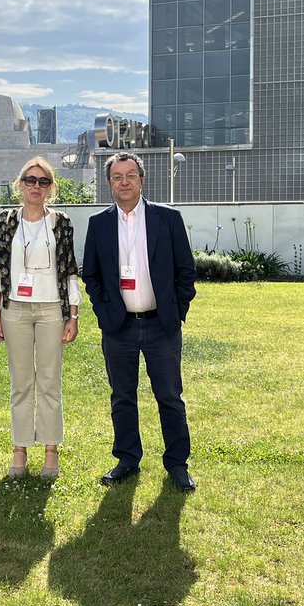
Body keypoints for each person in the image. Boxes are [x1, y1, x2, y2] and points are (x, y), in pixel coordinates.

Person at [82, 152, 199, 491]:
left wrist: (176, 311)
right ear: (109, 183)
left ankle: (177, 463)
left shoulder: (167, 218)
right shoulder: (99, 223)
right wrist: (104, 312)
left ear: (141, 179)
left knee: (170, 396)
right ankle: (127, 459)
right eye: (117, 177)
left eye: (130, 175)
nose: (125, 182)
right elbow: (91, 275)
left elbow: (186, 270)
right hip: (118, 327)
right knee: (122, 397)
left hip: (161, 325)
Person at [0, 157, 81, 479]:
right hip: (14, 309)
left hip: (52, 309)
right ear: (21, 184)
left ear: (51, 187)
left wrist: (73, 315)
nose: (36, 186)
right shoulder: (7, 220)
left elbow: (70, 270)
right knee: (21, 383)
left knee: (50, 382)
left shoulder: (61, 222)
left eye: (43, 181)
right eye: (30, 180)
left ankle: (51, 451)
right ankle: (20, 449)